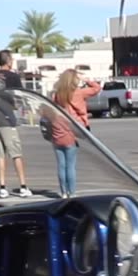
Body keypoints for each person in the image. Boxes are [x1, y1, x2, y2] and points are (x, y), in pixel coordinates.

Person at [0, 50, 32, 198]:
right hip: (7, 117)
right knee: (16, 153)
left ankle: (2, 186)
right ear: (9, 60)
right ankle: (23, 186)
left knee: (0, 153)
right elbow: (19, 95)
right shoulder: (13, 77)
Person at [51, 69, 101, 199]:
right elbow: (97, 88)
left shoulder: (56, 95)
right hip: (72, 131)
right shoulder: (78, 93)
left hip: (58, 132)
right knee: (71, 165)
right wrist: (87, 80)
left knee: (61, 165)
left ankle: (63, 192)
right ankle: (72, 192)